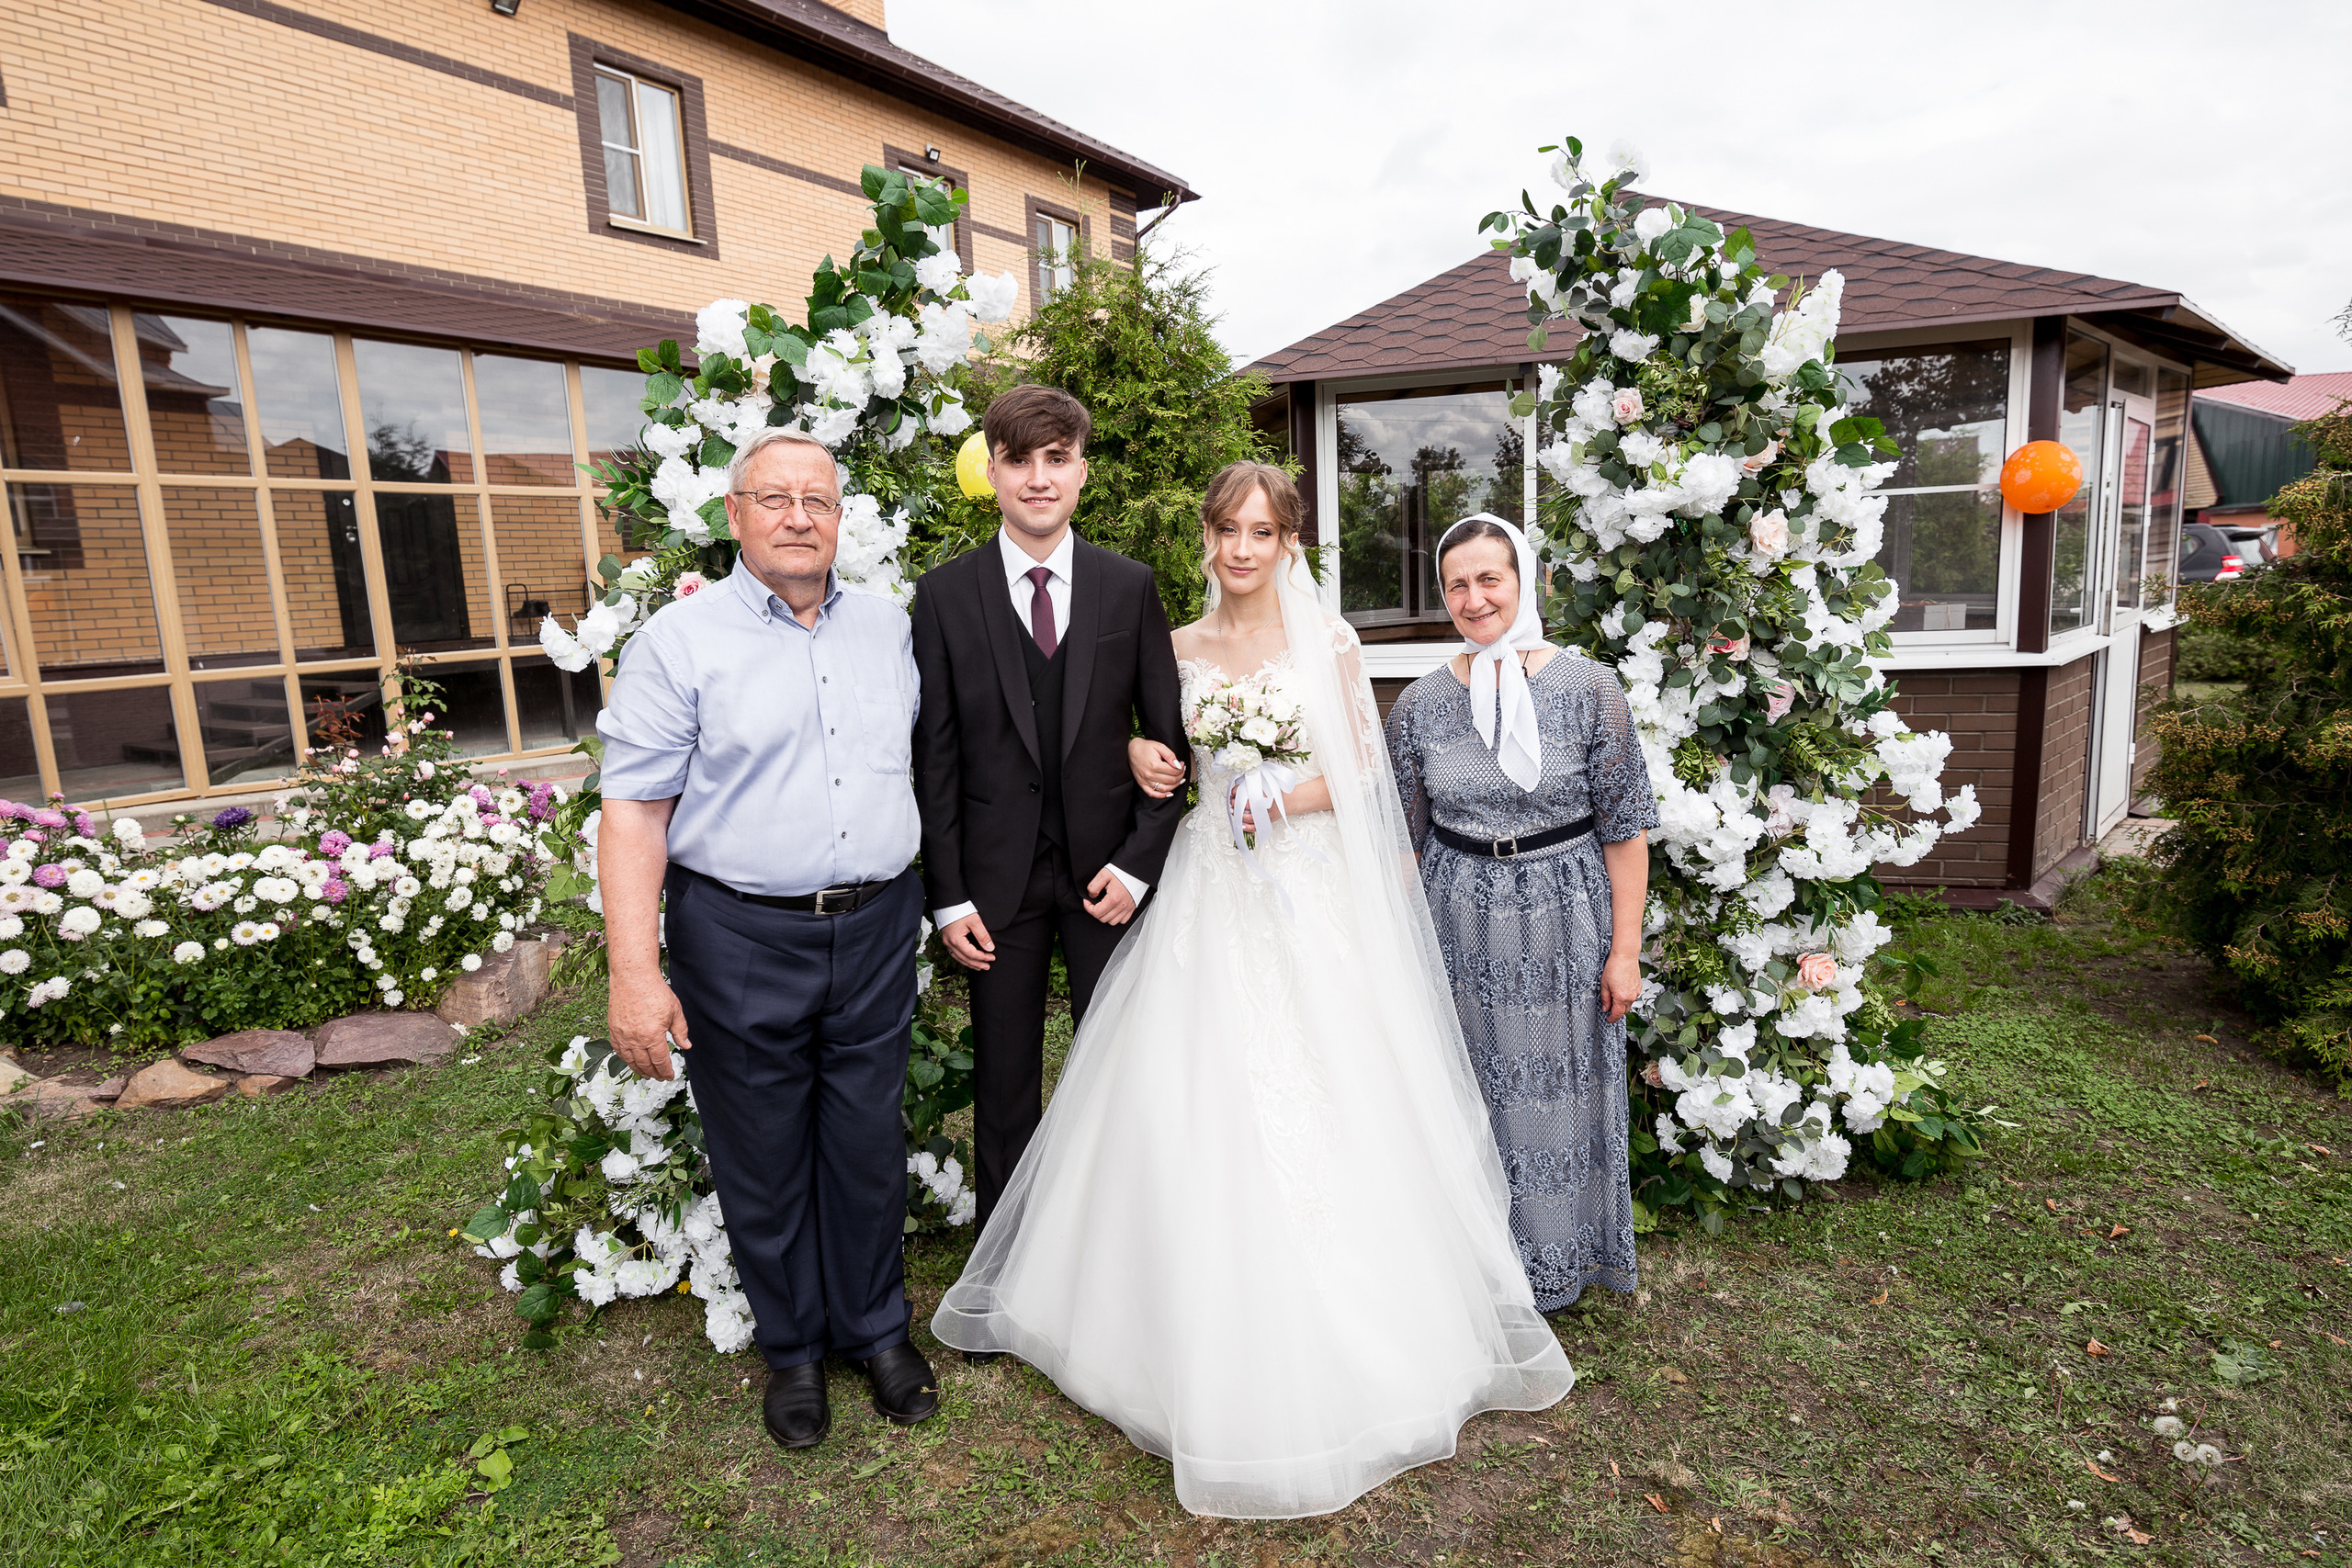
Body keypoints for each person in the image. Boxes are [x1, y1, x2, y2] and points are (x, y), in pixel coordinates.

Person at [932, 464, 1573, 1519]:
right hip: (1209, 888)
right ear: (1207, 538)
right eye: (1227, 529)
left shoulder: (1328, 643)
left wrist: (1288, 790)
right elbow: (1150, 747)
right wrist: (1150, 754)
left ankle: (1364, 1322)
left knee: (1327, 1085)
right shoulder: (1175, 646)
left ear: (1287, 543)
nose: (1242, 549)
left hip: (1305, 885)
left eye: (1262, 532)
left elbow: (1363, 769)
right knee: (1191, 1090)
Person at [596, 427, 937, 1453]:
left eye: (819, 501)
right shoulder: (679, 643)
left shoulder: (888, 630)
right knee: (761, 1151)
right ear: (735, 514)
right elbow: (634, 813)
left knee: (868, 1142)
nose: (799, 516)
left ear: (842, 520)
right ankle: (791, 1350)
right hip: (739, 934)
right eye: (775, 498)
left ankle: (876, 1331)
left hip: (875, 925)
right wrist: (634, 974)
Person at [909, 385, 1187, 1247]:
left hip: (1107, 874)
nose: (1038, 478)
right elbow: (937, 759)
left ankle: (1116, 1249)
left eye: (1056, 459)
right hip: (994, 884)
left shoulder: (1126, 586)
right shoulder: (944, 595)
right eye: (1019, 460)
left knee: (1120, 1069)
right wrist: (948, 896)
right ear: (990, 470)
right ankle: (1006, 1259)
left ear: (1082, 471)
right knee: (1004, 1079)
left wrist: (1140, 865)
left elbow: (1170, 752)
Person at [1382, 514, 1657, 1314]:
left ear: (1525, 581)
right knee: (1464, 1089)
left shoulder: (1588, 688)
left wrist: (1625, 949)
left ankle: (1555, 1266)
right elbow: (1403, 838)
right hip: (1456, 916)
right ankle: (1473, 1268)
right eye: (1457, 584)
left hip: (1564, 914)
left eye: (1489, 578)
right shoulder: (1423, 704)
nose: (1474, 598)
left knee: (1556, 1094)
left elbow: (1626, 826)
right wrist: (1395, 948)